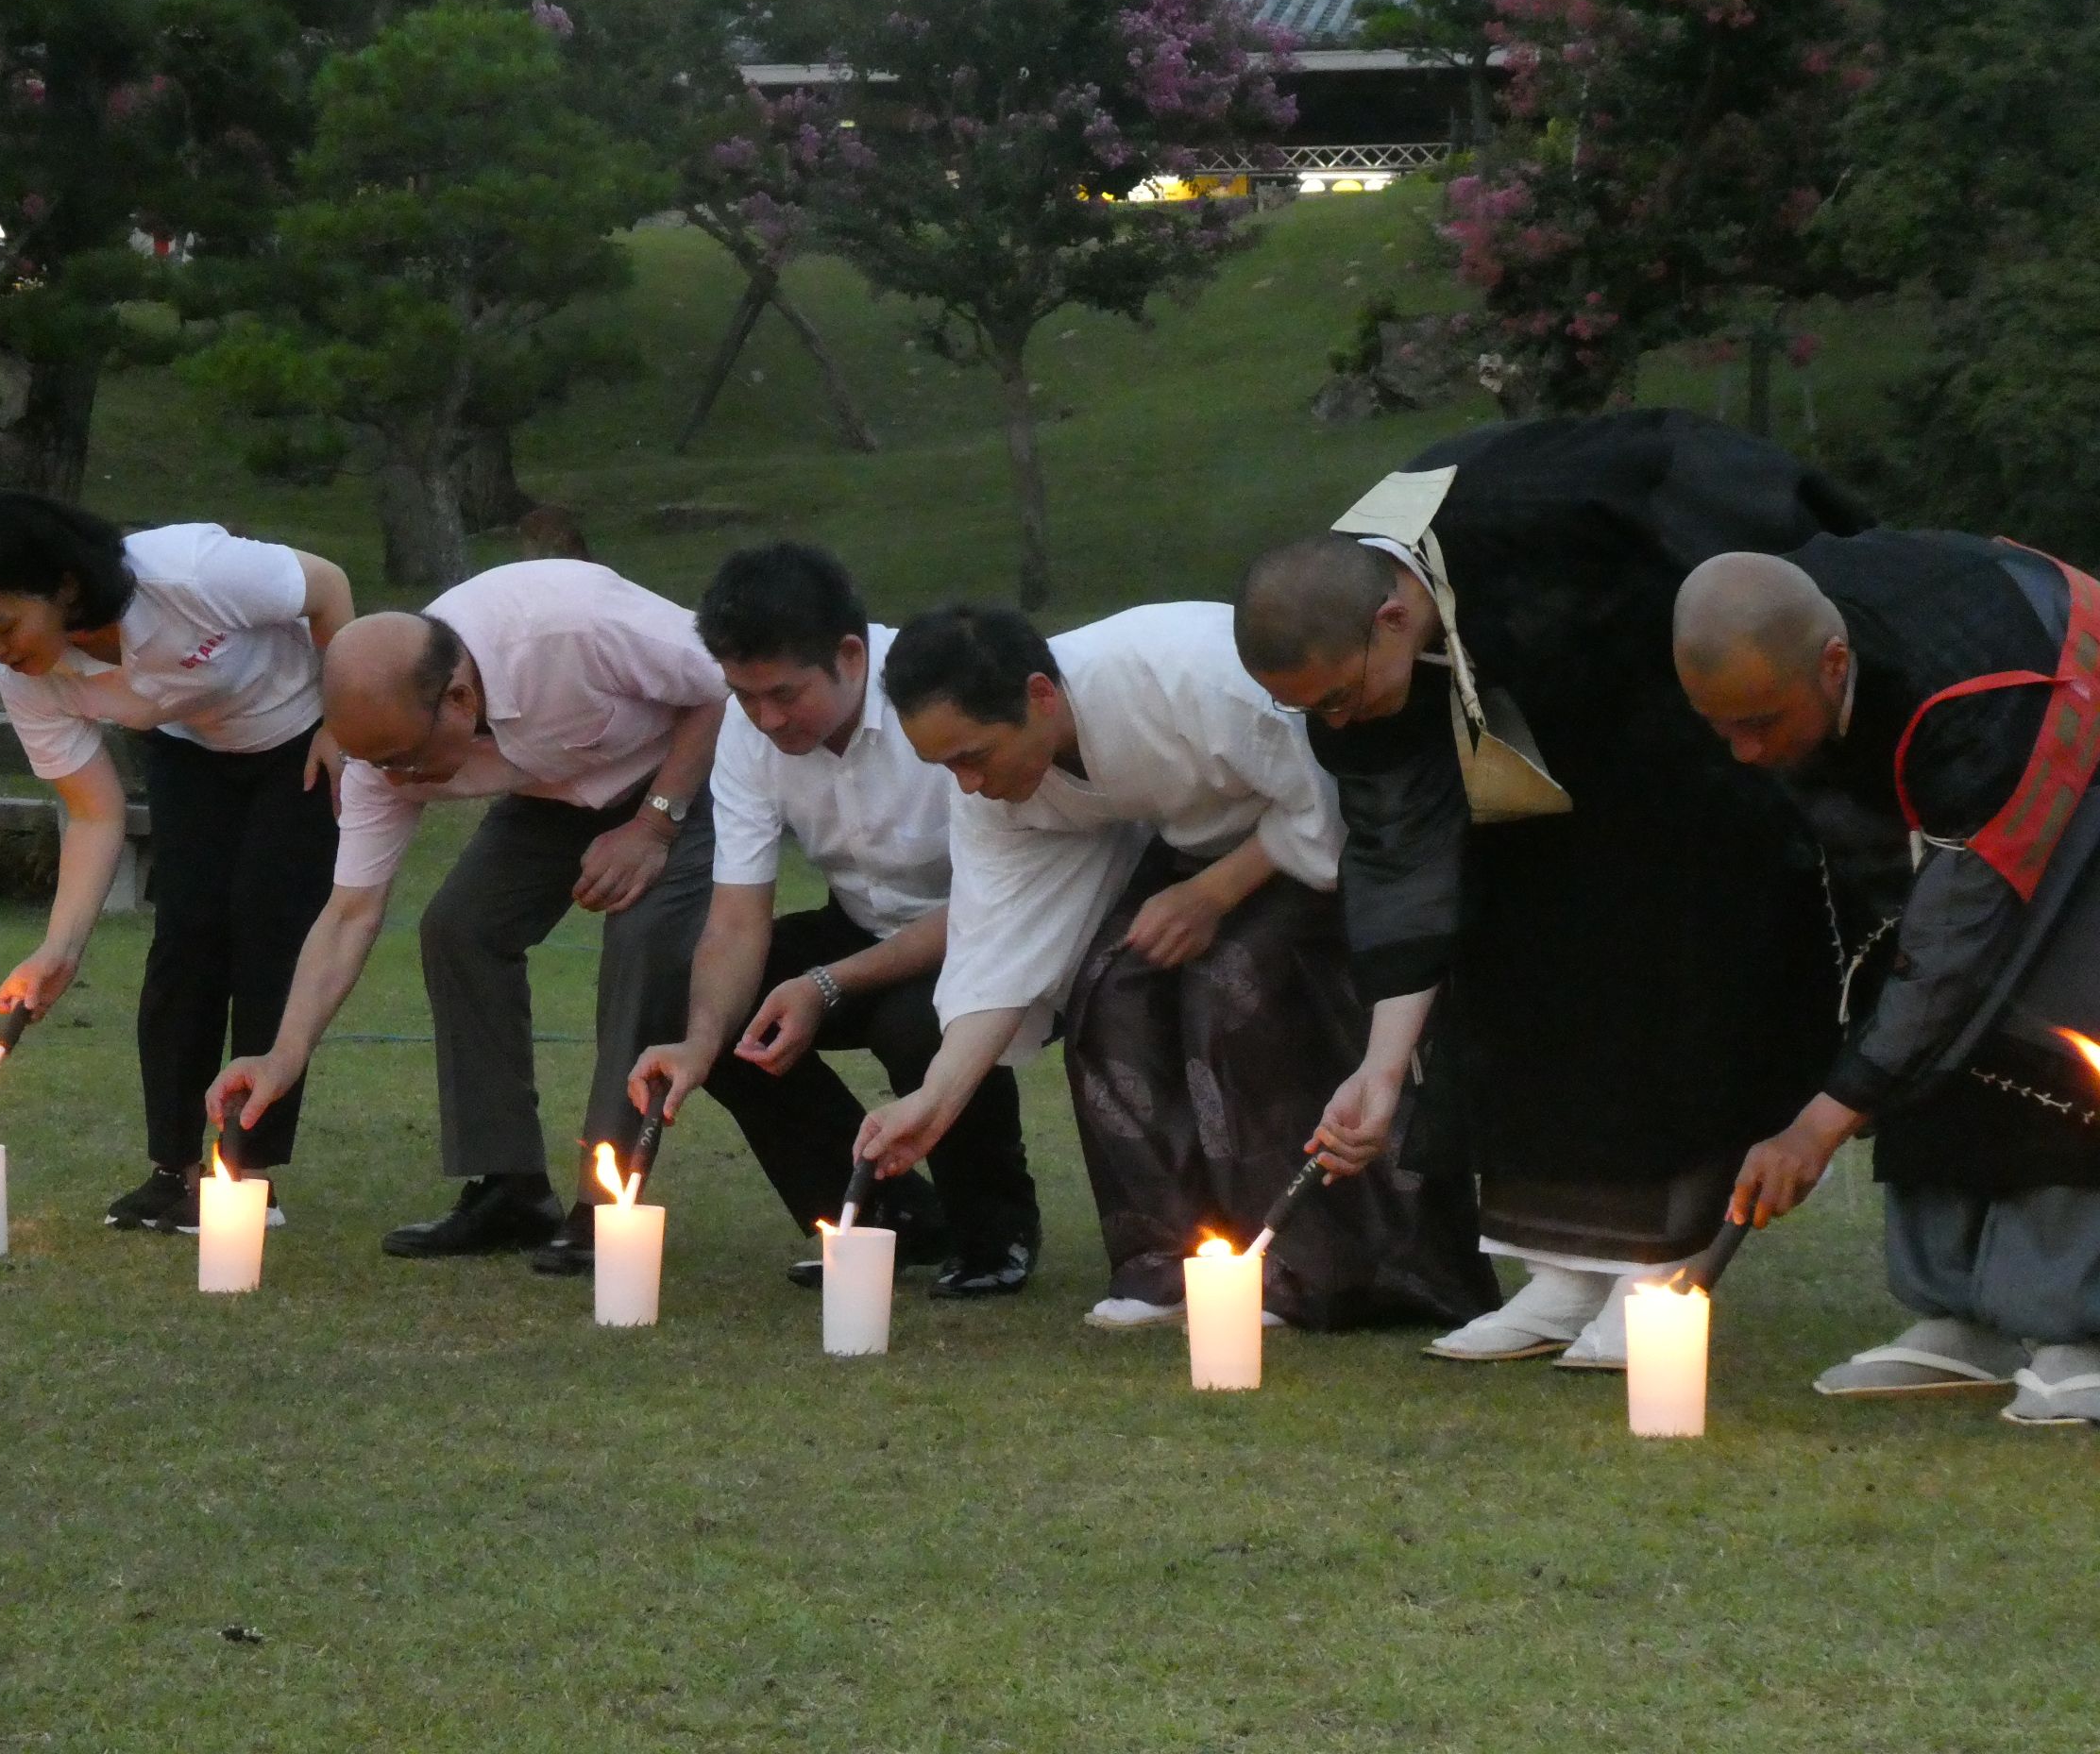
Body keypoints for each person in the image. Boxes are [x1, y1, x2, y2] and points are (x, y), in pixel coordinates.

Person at [1234, 411, 1854, 1368]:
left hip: (1675, 727)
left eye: (1338, 697)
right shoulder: (1358, 644)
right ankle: (1559, 1268)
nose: (1335, 723)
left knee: (1663, 966)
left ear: (1391, 618)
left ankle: (1658, 1257)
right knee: (1513, 955)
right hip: (1541, 766)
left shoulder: (1533, 530)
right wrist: (1381, 1067)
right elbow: (1400, 852)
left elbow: (1720, 562)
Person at [859, 601, 1499, 1331]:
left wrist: (1211, 893)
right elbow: (996, 943)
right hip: (1199, 851)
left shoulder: (1188, 681)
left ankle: (1314, 1269)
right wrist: (936, 1100)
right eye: (945, 767)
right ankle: (1170, 1262)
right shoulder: (994, 792)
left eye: (973, 757)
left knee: (1230, 987)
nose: (967, 785)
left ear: (1040, 695)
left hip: (1320, 848)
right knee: (1113, 988)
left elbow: (1324, 801)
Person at [1675, 538, 2100, 1426]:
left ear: (1833, 666)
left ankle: (2074, 1325)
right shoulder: (1786, 653)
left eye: (1761, 721)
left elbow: (1955, 942)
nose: (1745, 752)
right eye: (1723, 728)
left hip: (2069, 707)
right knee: (1892, 982)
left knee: (2047, 1004)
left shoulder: (1980, 699)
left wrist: (1821, 1122)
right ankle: (1959, 1309)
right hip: (1948, 745)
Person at [206, 559, 725, 1273]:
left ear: (458, 699)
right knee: (460, 928)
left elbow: (721, 686)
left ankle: (608, 1200)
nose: (392, 780)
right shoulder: (382, 753)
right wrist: (283, 1052)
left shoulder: (569, 629)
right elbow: (350, 913)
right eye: (372, 763)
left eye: (402, 760)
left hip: (684, 773)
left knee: (642, 937)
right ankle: (508, 1187)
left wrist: (655, 826)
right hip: (555, 787)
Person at [0, 491, 353, 1231]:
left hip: (300, 740)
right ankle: (174, 1169)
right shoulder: (28, 678)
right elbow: (95, 813)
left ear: (61, 584)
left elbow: (329, 587)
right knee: (185, 938)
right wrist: (59, 949)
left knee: (269, 931)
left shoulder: (189, 572)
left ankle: (243, 1173)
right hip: (192, 748)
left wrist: (344, 721)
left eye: (4, 624)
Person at [629, 543, 1042, 1296]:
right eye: (745, 696)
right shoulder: (746, 730)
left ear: (851, 656)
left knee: (917, 1023)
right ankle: (879, 1221)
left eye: (784, 695)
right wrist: (698, 1042)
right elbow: (735, 919)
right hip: (861, 924)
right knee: (713, 1015)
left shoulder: (939, 692)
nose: (766, 718)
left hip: (987, 928)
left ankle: (995, 1234)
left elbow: (994, 903)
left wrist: (823, 985)